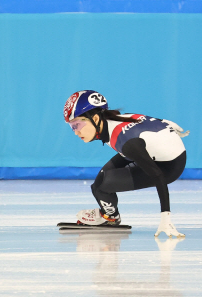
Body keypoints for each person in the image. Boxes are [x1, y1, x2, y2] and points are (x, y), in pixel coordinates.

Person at [63, 90, 188, 237]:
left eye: (76, 125)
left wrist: (165, 218)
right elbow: (146, 121)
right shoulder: (114, 120)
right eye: (72, 127)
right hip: (154, 149)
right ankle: (108, 213)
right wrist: (165, 126)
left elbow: (158, 175)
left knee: (104, 185)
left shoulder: (127, 143)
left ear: (96, 119)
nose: (76, 132)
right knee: (98, 184)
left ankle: (110, 218)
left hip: (168, 166)